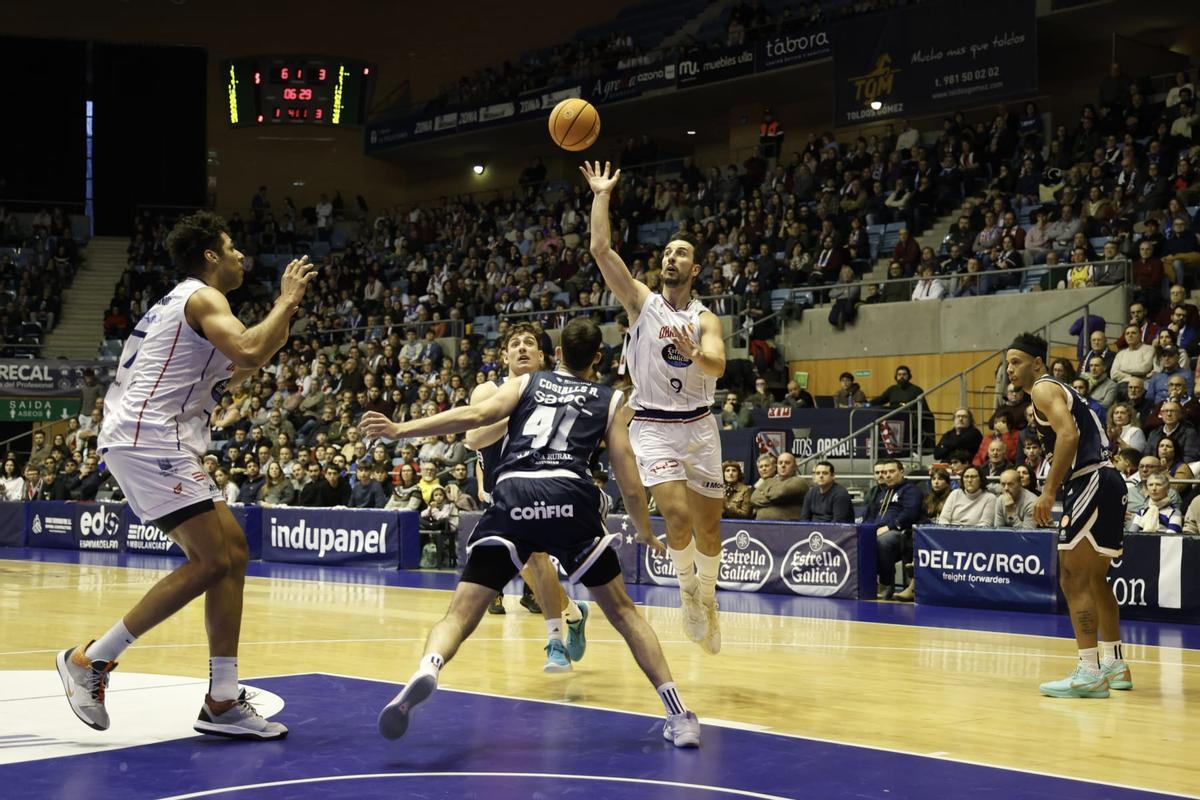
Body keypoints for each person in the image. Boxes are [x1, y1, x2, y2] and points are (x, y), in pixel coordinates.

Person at [362, 317, 701, 748]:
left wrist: (399, 430)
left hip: (514, 494)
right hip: (569, 496)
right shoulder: (612, 399)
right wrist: (645, 531)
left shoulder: (528, 383)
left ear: (555, 354)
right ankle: (678, 714)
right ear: (598, 358)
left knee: (459, 615)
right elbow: (630, 483)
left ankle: (429, 666)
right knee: (624, 613)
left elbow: (475, 417)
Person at [58, 212, 314, 739]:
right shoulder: (202, 298)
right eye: (232, 247)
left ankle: (222, 700)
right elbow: (250, 349)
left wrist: (284, 316)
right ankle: (91, 660)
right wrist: (285, 301)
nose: (242, 256)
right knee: (211, 560)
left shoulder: (185, 307)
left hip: (154, 437)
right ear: (211, 256)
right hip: (149, 437)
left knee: (233, 552)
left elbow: (246, 363)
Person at [584, 160, 726, 654]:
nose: (671, 258)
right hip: (653, 426)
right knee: (677, 517)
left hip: (700, 426)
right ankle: (688, 595)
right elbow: (601, 250)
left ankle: (708, 598)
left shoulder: (706, 319)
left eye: (681, 253)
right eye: (667, 252)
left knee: (710, 529)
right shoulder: (642, 302)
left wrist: (697, 354)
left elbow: (718, 366)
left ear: (695, 269)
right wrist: (602, 195)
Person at [1006, 332, 1130, 698]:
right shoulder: (1062, 391)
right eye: (1007, 363)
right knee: (1094, 579)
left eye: (1016, 361)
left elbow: (1069, 435)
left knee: (1073, 578)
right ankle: (1114, 663)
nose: (1009, 369)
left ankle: (1089, 670)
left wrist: (1048, 492)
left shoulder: (1043, 389)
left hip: (1089, 478)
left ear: (1037, 363)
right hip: (1107, 479)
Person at [464, 323, 592, 664]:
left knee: (536, 558)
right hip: (499, 493)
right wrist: (517, 410)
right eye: (515, 343)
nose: (522, 347)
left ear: (542, 356)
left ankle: (555, 642)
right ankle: (574, 613)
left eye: (529, 343)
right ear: (504, 356)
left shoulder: (555, 391)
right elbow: (474, 440)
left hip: (538, 489)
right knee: (527, 567)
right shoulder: (487, 390)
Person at [864, 459, 922, 600]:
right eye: (885, 472)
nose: (887, 475)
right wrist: (866, 530)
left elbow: (910, 513)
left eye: (891, 471)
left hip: (902, 532)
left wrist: (889, 527)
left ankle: (886, 584)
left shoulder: (910, 490)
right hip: (879, 530)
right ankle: (865, 582)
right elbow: (871, 515)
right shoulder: (883, 492)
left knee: (884, 541)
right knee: (860, 539)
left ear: (901, 472)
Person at [750, 451, 808, 520]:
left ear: (795, 467)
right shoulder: (769, 481)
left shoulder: (799, 482)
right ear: (777, 466)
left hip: (788, 524)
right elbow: (754, 498)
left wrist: (765, 493)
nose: (783, 465)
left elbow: (780, 493)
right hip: (761, 524)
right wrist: (775, 500)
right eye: (780, 463)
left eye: (787, 463)